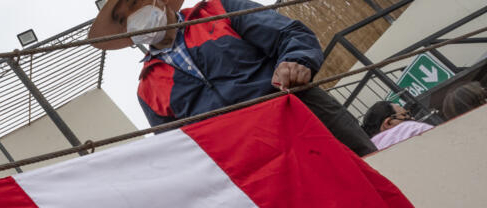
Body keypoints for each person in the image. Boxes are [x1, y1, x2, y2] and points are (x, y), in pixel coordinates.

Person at [89, 0, 377, 156]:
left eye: (135, 2)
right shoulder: (147, 89)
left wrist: (295, 61)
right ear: (123, 32)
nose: (132, 17)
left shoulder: (218, 10)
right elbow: (179, 149)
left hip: (308, 119)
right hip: (256, 165)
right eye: (121, 18)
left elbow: (290, 34)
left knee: (380, 176)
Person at [361, 101, 435, 150]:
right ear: (389, 123)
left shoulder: (368, 156)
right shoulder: (410, 128)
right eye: (406, 115)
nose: (412, 118)